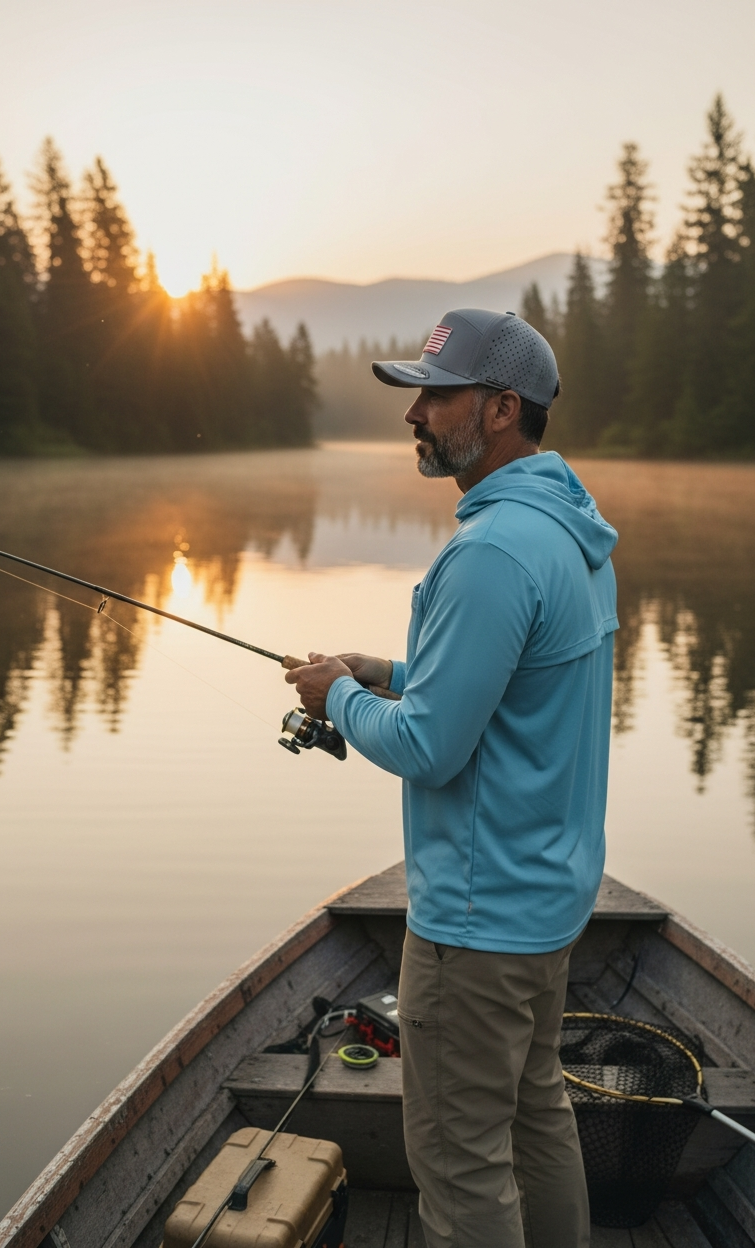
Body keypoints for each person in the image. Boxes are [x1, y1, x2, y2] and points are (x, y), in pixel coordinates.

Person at [285, 308, 618, 1248]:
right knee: (536, 1114)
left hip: (476, 927)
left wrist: (336, 698)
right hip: (545, 903)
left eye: (435, 395)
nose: (414, 414)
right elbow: (515, 686)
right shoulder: (569, 534)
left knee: (460, 1163)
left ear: (502, 408)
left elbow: (431, 748)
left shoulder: (490, 553)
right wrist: (385, 673)